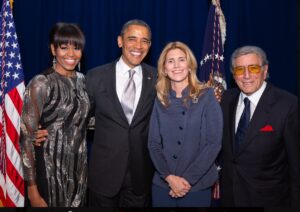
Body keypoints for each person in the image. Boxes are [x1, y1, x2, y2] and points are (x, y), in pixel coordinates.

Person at [85, 19, 156, 207]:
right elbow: (78, 119)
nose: (138, 46)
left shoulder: (158, 78)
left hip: (141, 178)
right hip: (103, 176)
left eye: (145, 41)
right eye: (132, 39)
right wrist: (45, 132)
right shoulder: (95, 77)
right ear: (120, 41)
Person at [220, 45, 300, 207]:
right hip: (230, 198)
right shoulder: (226, 100)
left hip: (269, 201)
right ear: (233, 74)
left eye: (253, 68)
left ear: (265, 70)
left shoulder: (288, 105)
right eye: (240, 70)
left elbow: (296, 166)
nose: (246, 75)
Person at [20, 22, 89, 207]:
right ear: (53, 49)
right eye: (64, 47)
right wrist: (32, 190)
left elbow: (85, 121)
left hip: (79, 172)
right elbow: (26, 139)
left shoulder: (84, 82)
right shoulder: (41, 83)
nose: (71, 54)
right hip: (48, 172)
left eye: (76, 48)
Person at [148, 41, 223, 207]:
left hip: (197, 185)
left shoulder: (207, 95)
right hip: (163, 185)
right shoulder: (160, 99)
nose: (176, 65)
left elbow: (213, 144)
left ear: (190, 65)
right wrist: (168, 176)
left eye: (181, 59)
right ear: (164, 69)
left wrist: (185, 181)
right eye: (170, 61)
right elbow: (153, 143)